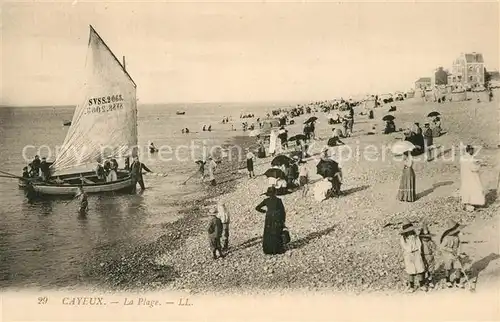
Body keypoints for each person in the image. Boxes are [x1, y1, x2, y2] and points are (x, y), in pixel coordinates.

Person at [255, 187, 287, 255]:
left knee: (268, 233)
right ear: (275, 193)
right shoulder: (278, 200)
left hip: (269, 218)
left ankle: (268, 249)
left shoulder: (266, 200)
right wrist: (283, 221)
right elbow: (282, 211)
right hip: (277, 218)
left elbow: (257, 208)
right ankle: (278, 249)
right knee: (277, 232)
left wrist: (264, 211)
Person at [400, 219, 426, 292]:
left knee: (420, 268)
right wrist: (410, 251)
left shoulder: (415, 236)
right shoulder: (403, 238)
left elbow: (419, 244)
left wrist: (419, 252)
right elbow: (404, 246)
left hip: (416, 253)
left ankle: (422, 285)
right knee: (411, 271)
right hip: (408, 254)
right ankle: (411, 286)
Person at [440, 219, 466, 288]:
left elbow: (458, 246)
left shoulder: (456, 237)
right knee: (448, 268)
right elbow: (442, 247)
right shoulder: (446, 238)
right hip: (447, 254)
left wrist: (458, 253)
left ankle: (458, 282)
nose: (458, 231)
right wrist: (451, 250)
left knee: (458, 267)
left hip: (455, 254)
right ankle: (447, 281)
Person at [460, 144, 485, 211]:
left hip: (465, 177)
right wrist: (479, 165)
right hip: (471, 177)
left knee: (467, 190)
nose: (473, 151)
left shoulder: (463, 157)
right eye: (472, 150)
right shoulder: (470, 158)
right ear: (470, 150)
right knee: (475, 189)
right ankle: (470, 205)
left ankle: (466, 203)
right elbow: (473, 168)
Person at [419, 223, 437, 288]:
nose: (426, 237)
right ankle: (424, 282)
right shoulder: (420, 242)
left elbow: (434, 247)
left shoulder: (430, 241)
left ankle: (430, 281)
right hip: (423, 256)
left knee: (430, 270)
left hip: (430, 256)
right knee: (423, 269)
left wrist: (433, 245)